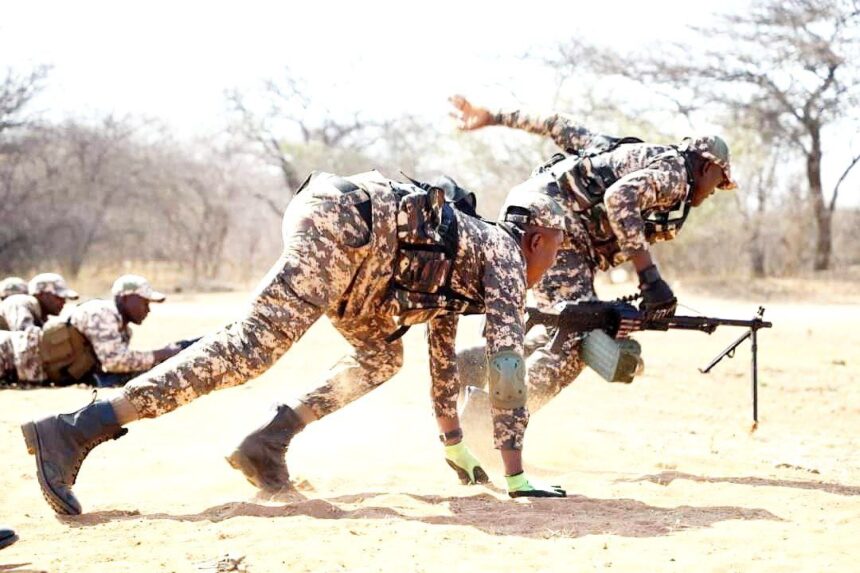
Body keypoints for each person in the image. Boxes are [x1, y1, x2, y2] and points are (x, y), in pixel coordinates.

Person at [22, 170, 568, 516]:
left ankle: (268, 440)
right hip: (347, 232)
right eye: (556, 252)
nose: (553, 264)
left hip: (361, 263)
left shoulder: (471, 254)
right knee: (250, 348)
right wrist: (516, 474)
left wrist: (454, 444)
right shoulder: (504, 253)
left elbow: (442, 354)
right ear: (537, 240)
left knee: (381, 357)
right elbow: (506, 362)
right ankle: (76, 429)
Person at [448, 95, 737, 414]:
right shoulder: (678, 172)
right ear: (707, 166)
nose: (714, 190)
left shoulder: (618, 151)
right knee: (576, 338)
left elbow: (555, 123)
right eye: (718, 180)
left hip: (525, 213)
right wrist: (650, 279)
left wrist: (491, 114)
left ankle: (473, 366)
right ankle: (494, 420)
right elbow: (619, 198)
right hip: (557, 228)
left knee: (560, 326)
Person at [68, 275, 185, 387]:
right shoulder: (102, 313)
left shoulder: (124, 329)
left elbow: (124, 364)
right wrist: (162, 354)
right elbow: (115, 362)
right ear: (125, 298)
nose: (148, 310)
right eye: (144, 303)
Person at [0, 273, 79, 331]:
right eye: (58, 297)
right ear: (41, 294)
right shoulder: (21, 301)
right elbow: (24, 336)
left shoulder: (39, 314)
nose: (63, 302)